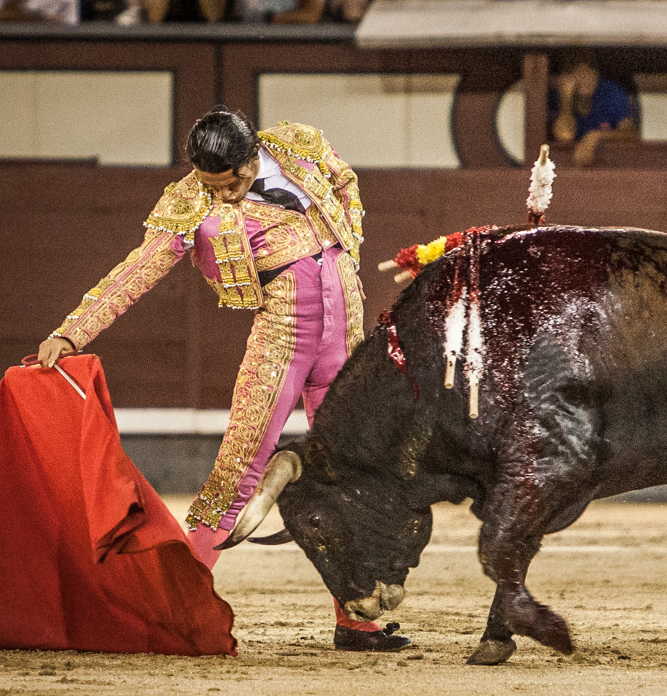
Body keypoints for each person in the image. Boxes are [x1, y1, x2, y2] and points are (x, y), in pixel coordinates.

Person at [37, 107, 410, 652]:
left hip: (346, 326)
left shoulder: (299, 146)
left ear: (252, 154)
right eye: (215, 186)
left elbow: (345, 179)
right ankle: (173, 612)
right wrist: (72, 333)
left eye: (234, 181)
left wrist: (345, 238)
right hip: (283, 332)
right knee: (240, 468)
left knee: (352, 475)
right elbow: (137, 271)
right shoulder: (190, 201)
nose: (227, 195)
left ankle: (356, 620)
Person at [549, 52, 638, 168]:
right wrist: (566, 99)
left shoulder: (610, 93)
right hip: (564, 170)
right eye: (576, 70)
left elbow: (630, 134)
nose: (585, 76)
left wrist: (595, 136)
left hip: (608, 167)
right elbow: (565, 135)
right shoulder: (556, 96)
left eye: (589, 69)